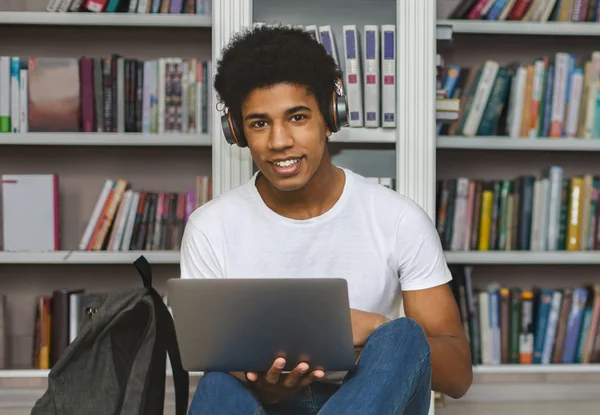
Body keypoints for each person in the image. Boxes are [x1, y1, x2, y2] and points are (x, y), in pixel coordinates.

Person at [180, 24, 472, 415]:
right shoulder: (210, 227)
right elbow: (217, 367)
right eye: (259, 123)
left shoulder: (398, 218)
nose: (279, 141)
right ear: (237, 131)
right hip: (266, 407)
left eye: (297, 117)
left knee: (402, 336)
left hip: (373, 399)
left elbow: (457, 376)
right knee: (218, 381)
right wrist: (263, 386)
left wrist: (372, 329)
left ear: (330, 116)